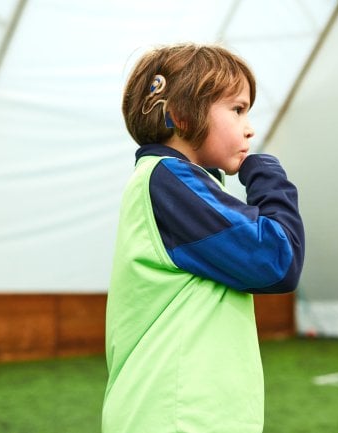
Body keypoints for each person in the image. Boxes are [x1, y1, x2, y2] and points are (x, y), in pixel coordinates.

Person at [102, 43, 305, 433]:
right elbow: (278, 259)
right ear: (181, 114)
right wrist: (268, 178)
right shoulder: (168, 179)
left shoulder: (172, 184)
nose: (250, 127)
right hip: (180, 416)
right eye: (238, 109)